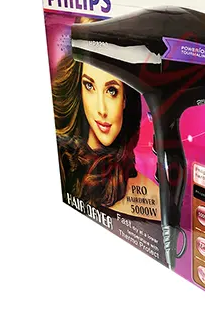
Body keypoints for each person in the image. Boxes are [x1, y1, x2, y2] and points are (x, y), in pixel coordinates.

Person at [52, 17, 160, 220]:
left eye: (112, 91)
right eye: (89, 86)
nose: (101, 110)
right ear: (79, 90)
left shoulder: (152, 198)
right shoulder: (61, 165)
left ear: (125, 98)